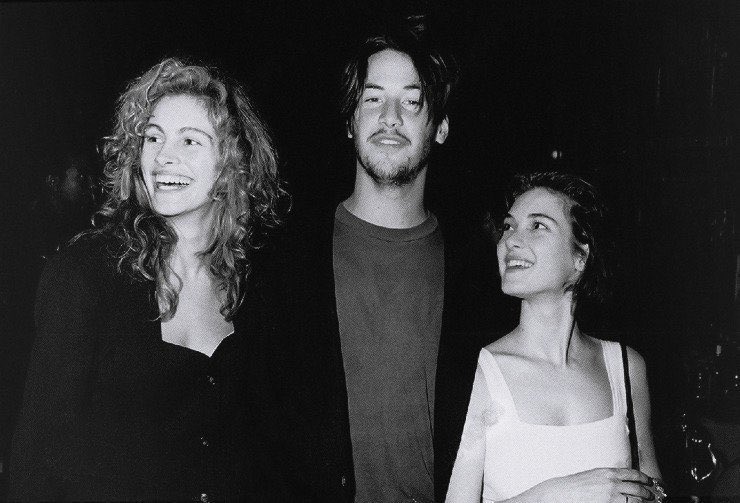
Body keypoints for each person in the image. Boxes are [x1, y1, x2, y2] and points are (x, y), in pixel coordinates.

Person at [7, 57, 287, 501]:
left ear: (232, 163)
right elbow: (37, 465)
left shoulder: (259, 285)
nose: (163, 157)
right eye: (152, 137)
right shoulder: (84, 276)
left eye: (190, 140)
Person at [268, 22, 510, 502]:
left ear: (439, 127)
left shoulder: (481, 275)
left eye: (412, 101)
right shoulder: (286, 261)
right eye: (373, 99)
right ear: (350, 122)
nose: (390, 117)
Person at [446, 172, 666, 502]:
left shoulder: (626, 366)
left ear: (580, 258)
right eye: (508, 226)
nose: (511, 240)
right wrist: (555, 493)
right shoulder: (477, 373)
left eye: (538, 226)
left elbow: (655, 489)